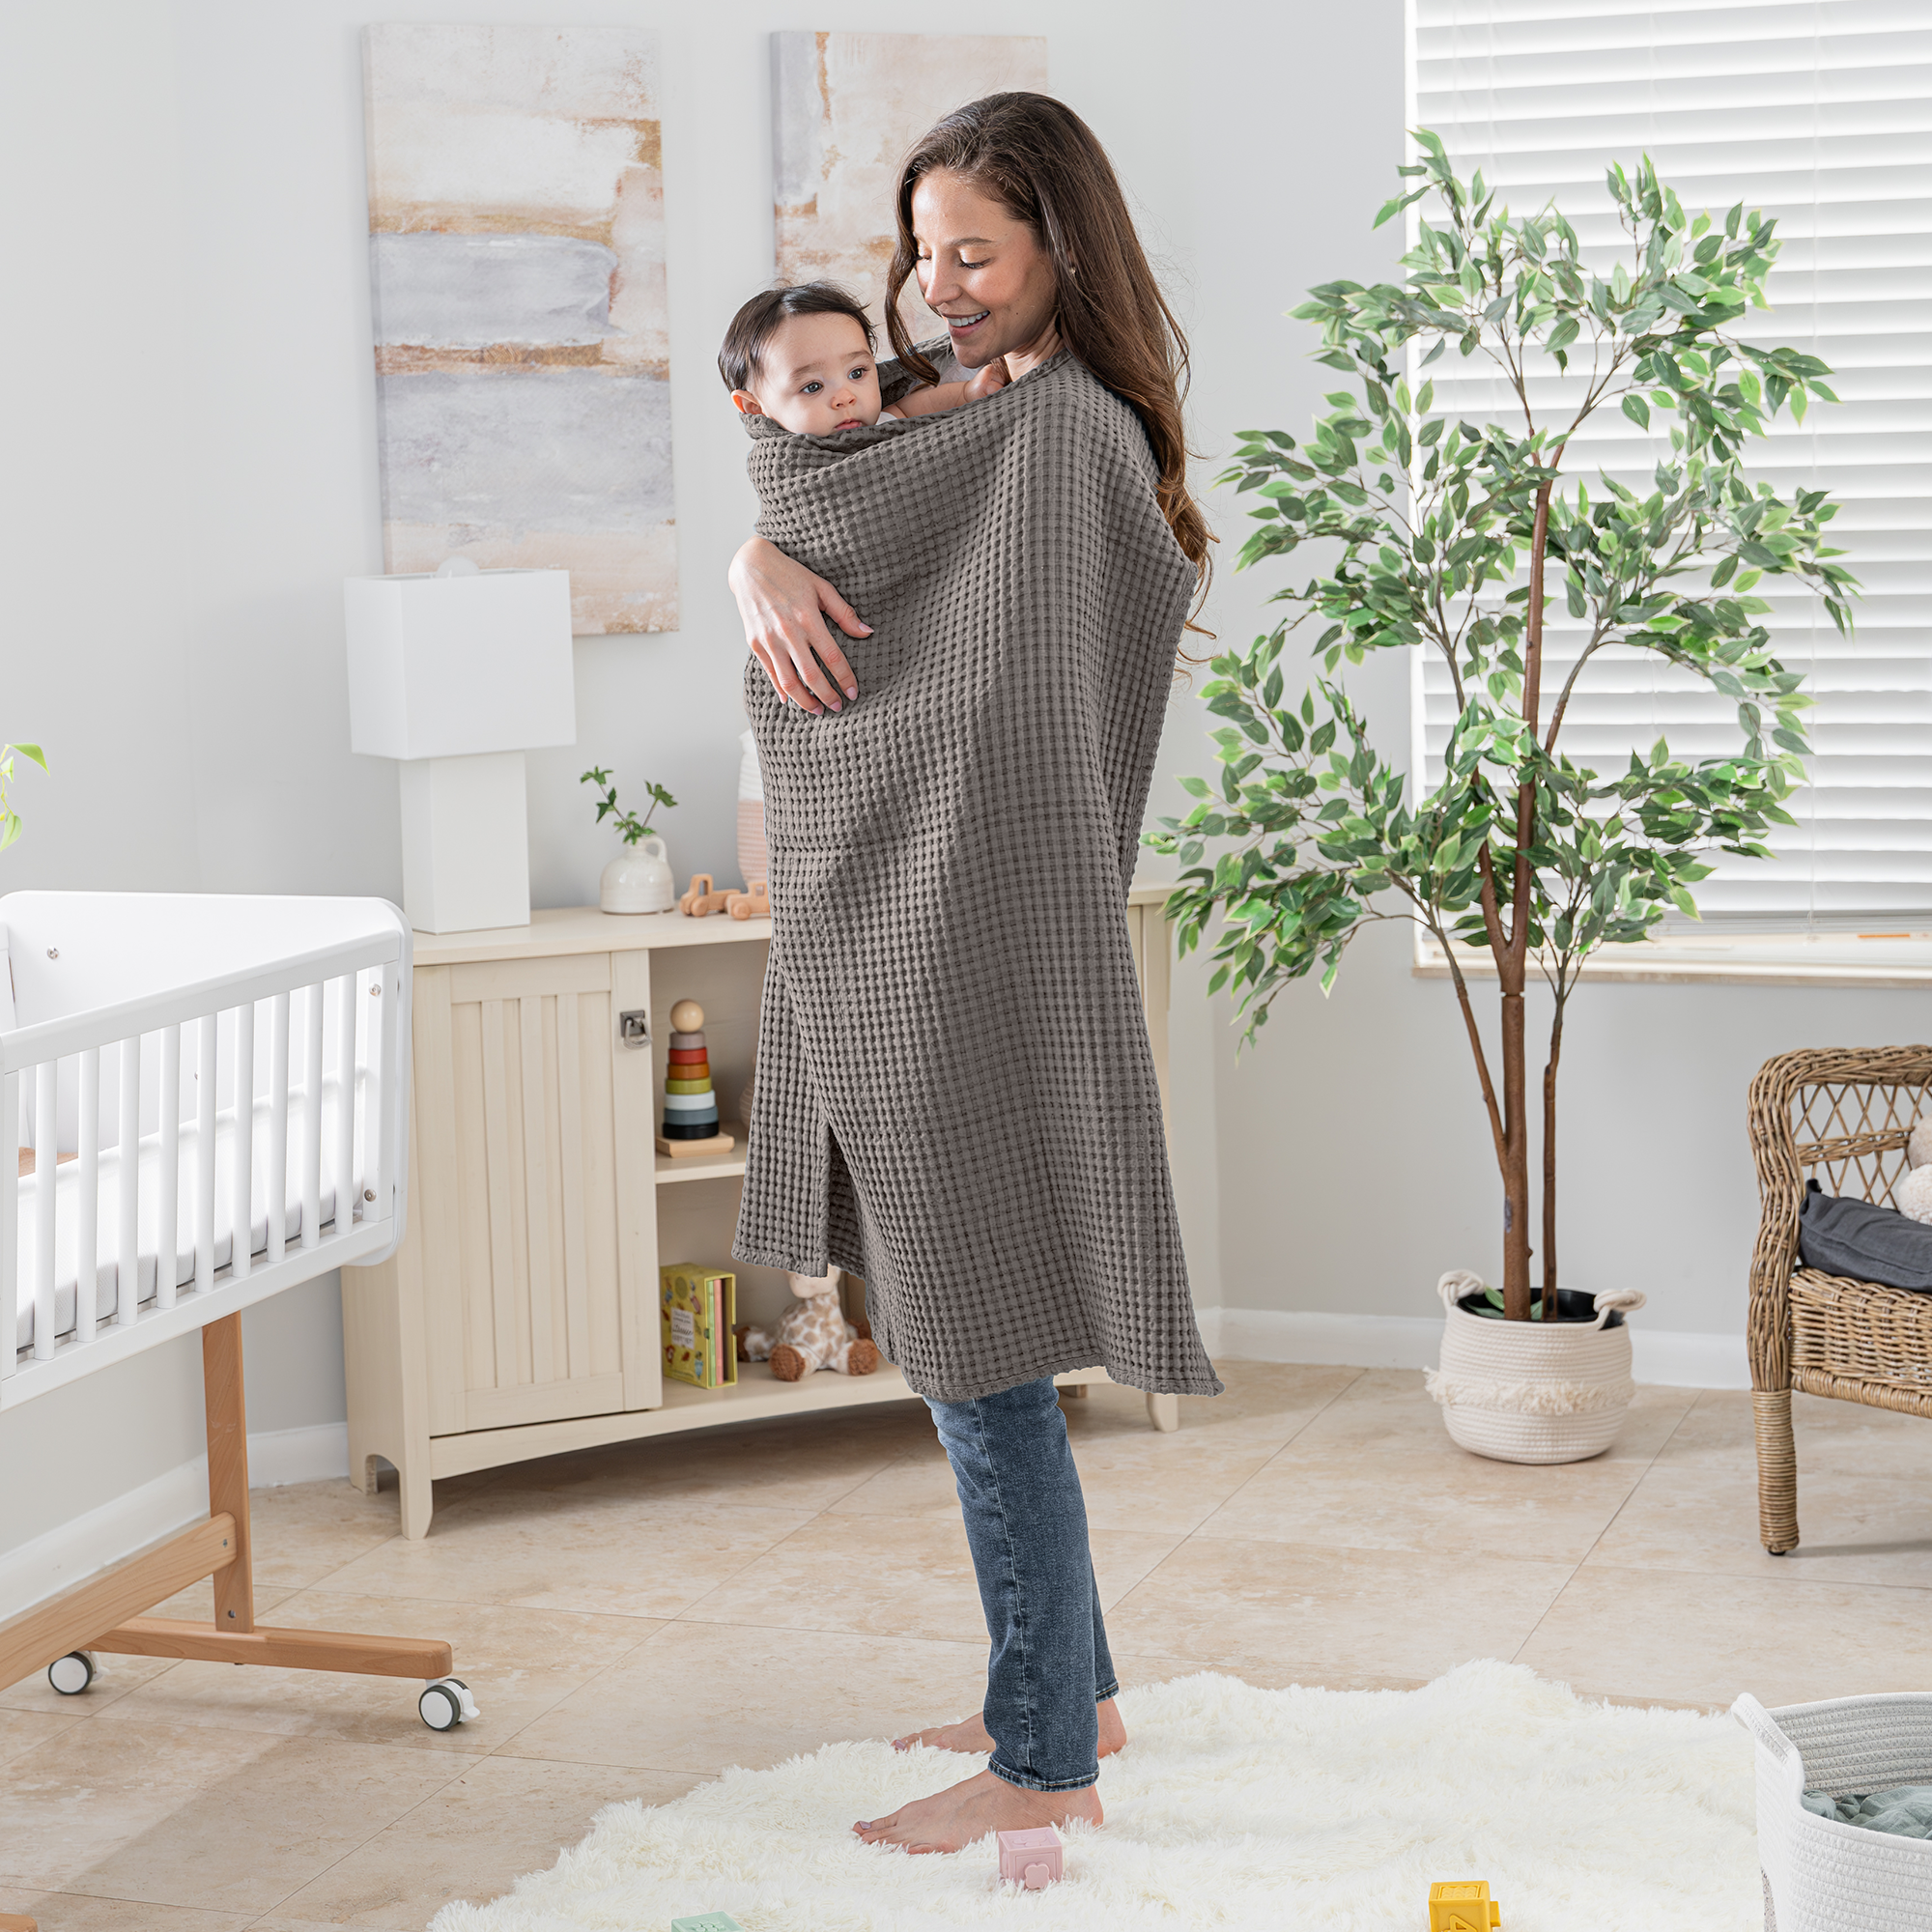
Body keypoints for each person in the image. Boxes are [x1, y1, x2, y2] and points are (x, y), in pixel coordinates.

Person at [727, 93, 1221, 1858]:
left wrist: (773, 533)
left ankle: (1042, 1765)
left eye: (975, 255)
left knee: (977, 1354)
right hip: (935, 936)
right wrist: (755, 544)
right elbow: (816, 486)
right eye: (922, 253)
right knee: (975, 1338)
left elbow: (981, 682)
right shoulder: (996, 408)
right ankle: (1076, 1695)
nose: (936, 289)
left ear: (1059, 249)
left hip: (971, 945)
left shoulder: (1056, 434)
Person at [717, 279, 1009, 435]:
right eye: (813, 387)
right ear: (755, 408)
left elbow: (918, 405)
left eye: (857, 373)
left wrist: (969, 392)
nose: (845, 397)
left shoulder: (881, 423)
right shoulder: (789, 466)